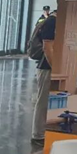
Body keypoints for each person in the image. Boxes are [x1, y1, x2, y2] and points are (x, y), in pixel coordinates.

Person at [31, 10, 57, 146]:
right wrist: (55, 68)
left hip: (50, 67)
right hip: (46, 67)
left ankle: (43, 133)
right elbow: (47, 47)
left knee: (46, 101)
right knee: (43, 101)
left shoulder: (55, 21)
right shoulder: (52, 21)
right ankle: (38, 135)